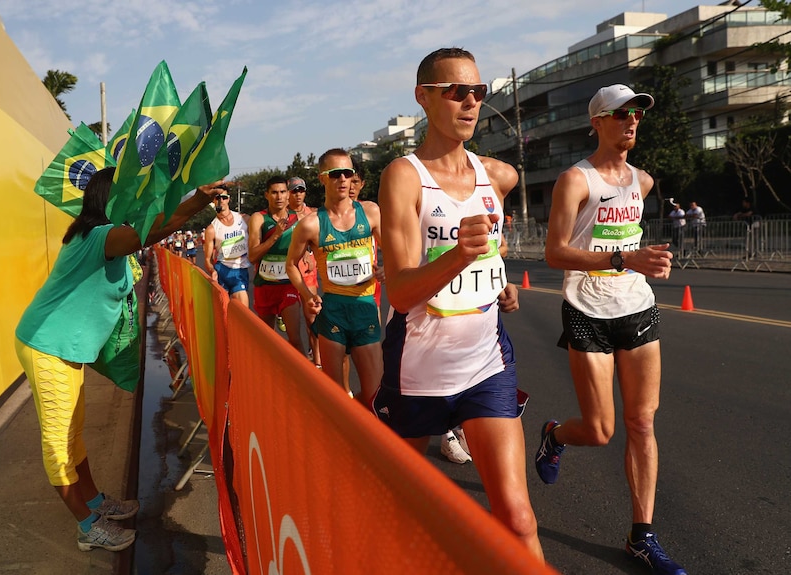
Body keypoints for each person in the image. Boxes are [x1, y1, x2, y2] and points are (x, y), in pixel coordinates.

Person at [374, 47, 543, 560]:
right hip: (418, 370)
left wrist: (497, 281)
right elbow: (401, 292)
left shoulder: (496, 175)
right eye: (456, 92)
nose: (470, 103)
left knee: (516, 518)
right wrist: (456, 256)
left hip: (487, 364)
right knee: (401, 509)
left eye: (478, 92)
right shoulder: (403, 176)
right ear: (424, 98)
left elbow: (489, 249)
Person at [14, 167, 226, 552]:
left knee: (73, 433)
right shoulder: (99, 237)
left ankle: (95, 501)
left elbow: (153, 230)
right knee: (58, 444)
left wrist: (195, 203)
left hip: (66, 348)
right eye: (129, 194)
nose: (136, 201)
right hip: (48, 345)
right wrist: (195, 201)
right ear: (110, 200)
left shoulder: (108, 238)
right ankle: (87, 525)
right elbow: (149, 231)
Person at [537, 83, 686, 575]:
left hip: (635, 305)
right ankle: (555, 436)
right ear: (598, 121)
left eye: (637, 115)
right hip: (586, 306)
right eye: (621, 115)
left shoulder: (641, 181)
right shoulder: (574, 181)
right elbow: (555, 252)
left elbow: (631, 242)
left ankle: (642, 535)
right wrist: (625, 257)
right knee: (601, 430)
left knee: (642, 422)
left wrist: (644, 265)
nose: (632, 122)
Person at [286, 149, 383, 407]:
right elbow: (291, 265)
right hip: (333, 311)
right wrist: (307, 296)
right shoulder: (310, 224)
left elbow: (394, 252)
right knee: (336, 398)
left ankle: (362, 429)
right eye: (335, 173)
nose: (343, 179)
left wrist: (388, 268)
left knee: (376, 397)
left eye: (348, 173)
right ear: (322, 178)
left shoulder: (371, 212)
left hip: (365, 308)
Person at [247, 176, 305, 353]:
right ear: (267, 195)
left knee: (295, 339)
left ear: (288, 195)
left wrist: (309, 255)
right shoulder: (259, 218)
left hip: (288, 285)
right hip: (265, 286)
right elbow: (252, 256)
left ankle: (302, 379)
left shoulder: (298, 219)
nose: (279, 197)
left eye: (282, 192)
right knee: (266, 342)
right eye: (274, 192)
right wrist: (275, 236)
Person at [287, 176, 321, 367]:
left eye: (301, 190)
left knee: (312, 317)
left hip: (308, 274)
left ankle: (317, 361)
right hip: (287, 275)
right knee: (292, 322)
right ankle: (298, 362)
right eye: (294, 191)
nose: (298, 194)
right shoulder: (283, 216)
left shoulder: (313, 214)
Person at [203, 190, 252, 308]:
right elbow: (207, 259)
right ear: (213, 201)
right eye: (217, 197)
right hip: (222, 271)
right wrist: (212, 271)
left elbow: (258, 239)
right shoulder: (211, 229)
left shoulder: (244, 219)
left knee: (244, 312)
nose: (221, 200)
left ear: (229, 199)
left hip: (240, 271)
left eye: (224, 197)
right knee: (223, 313)